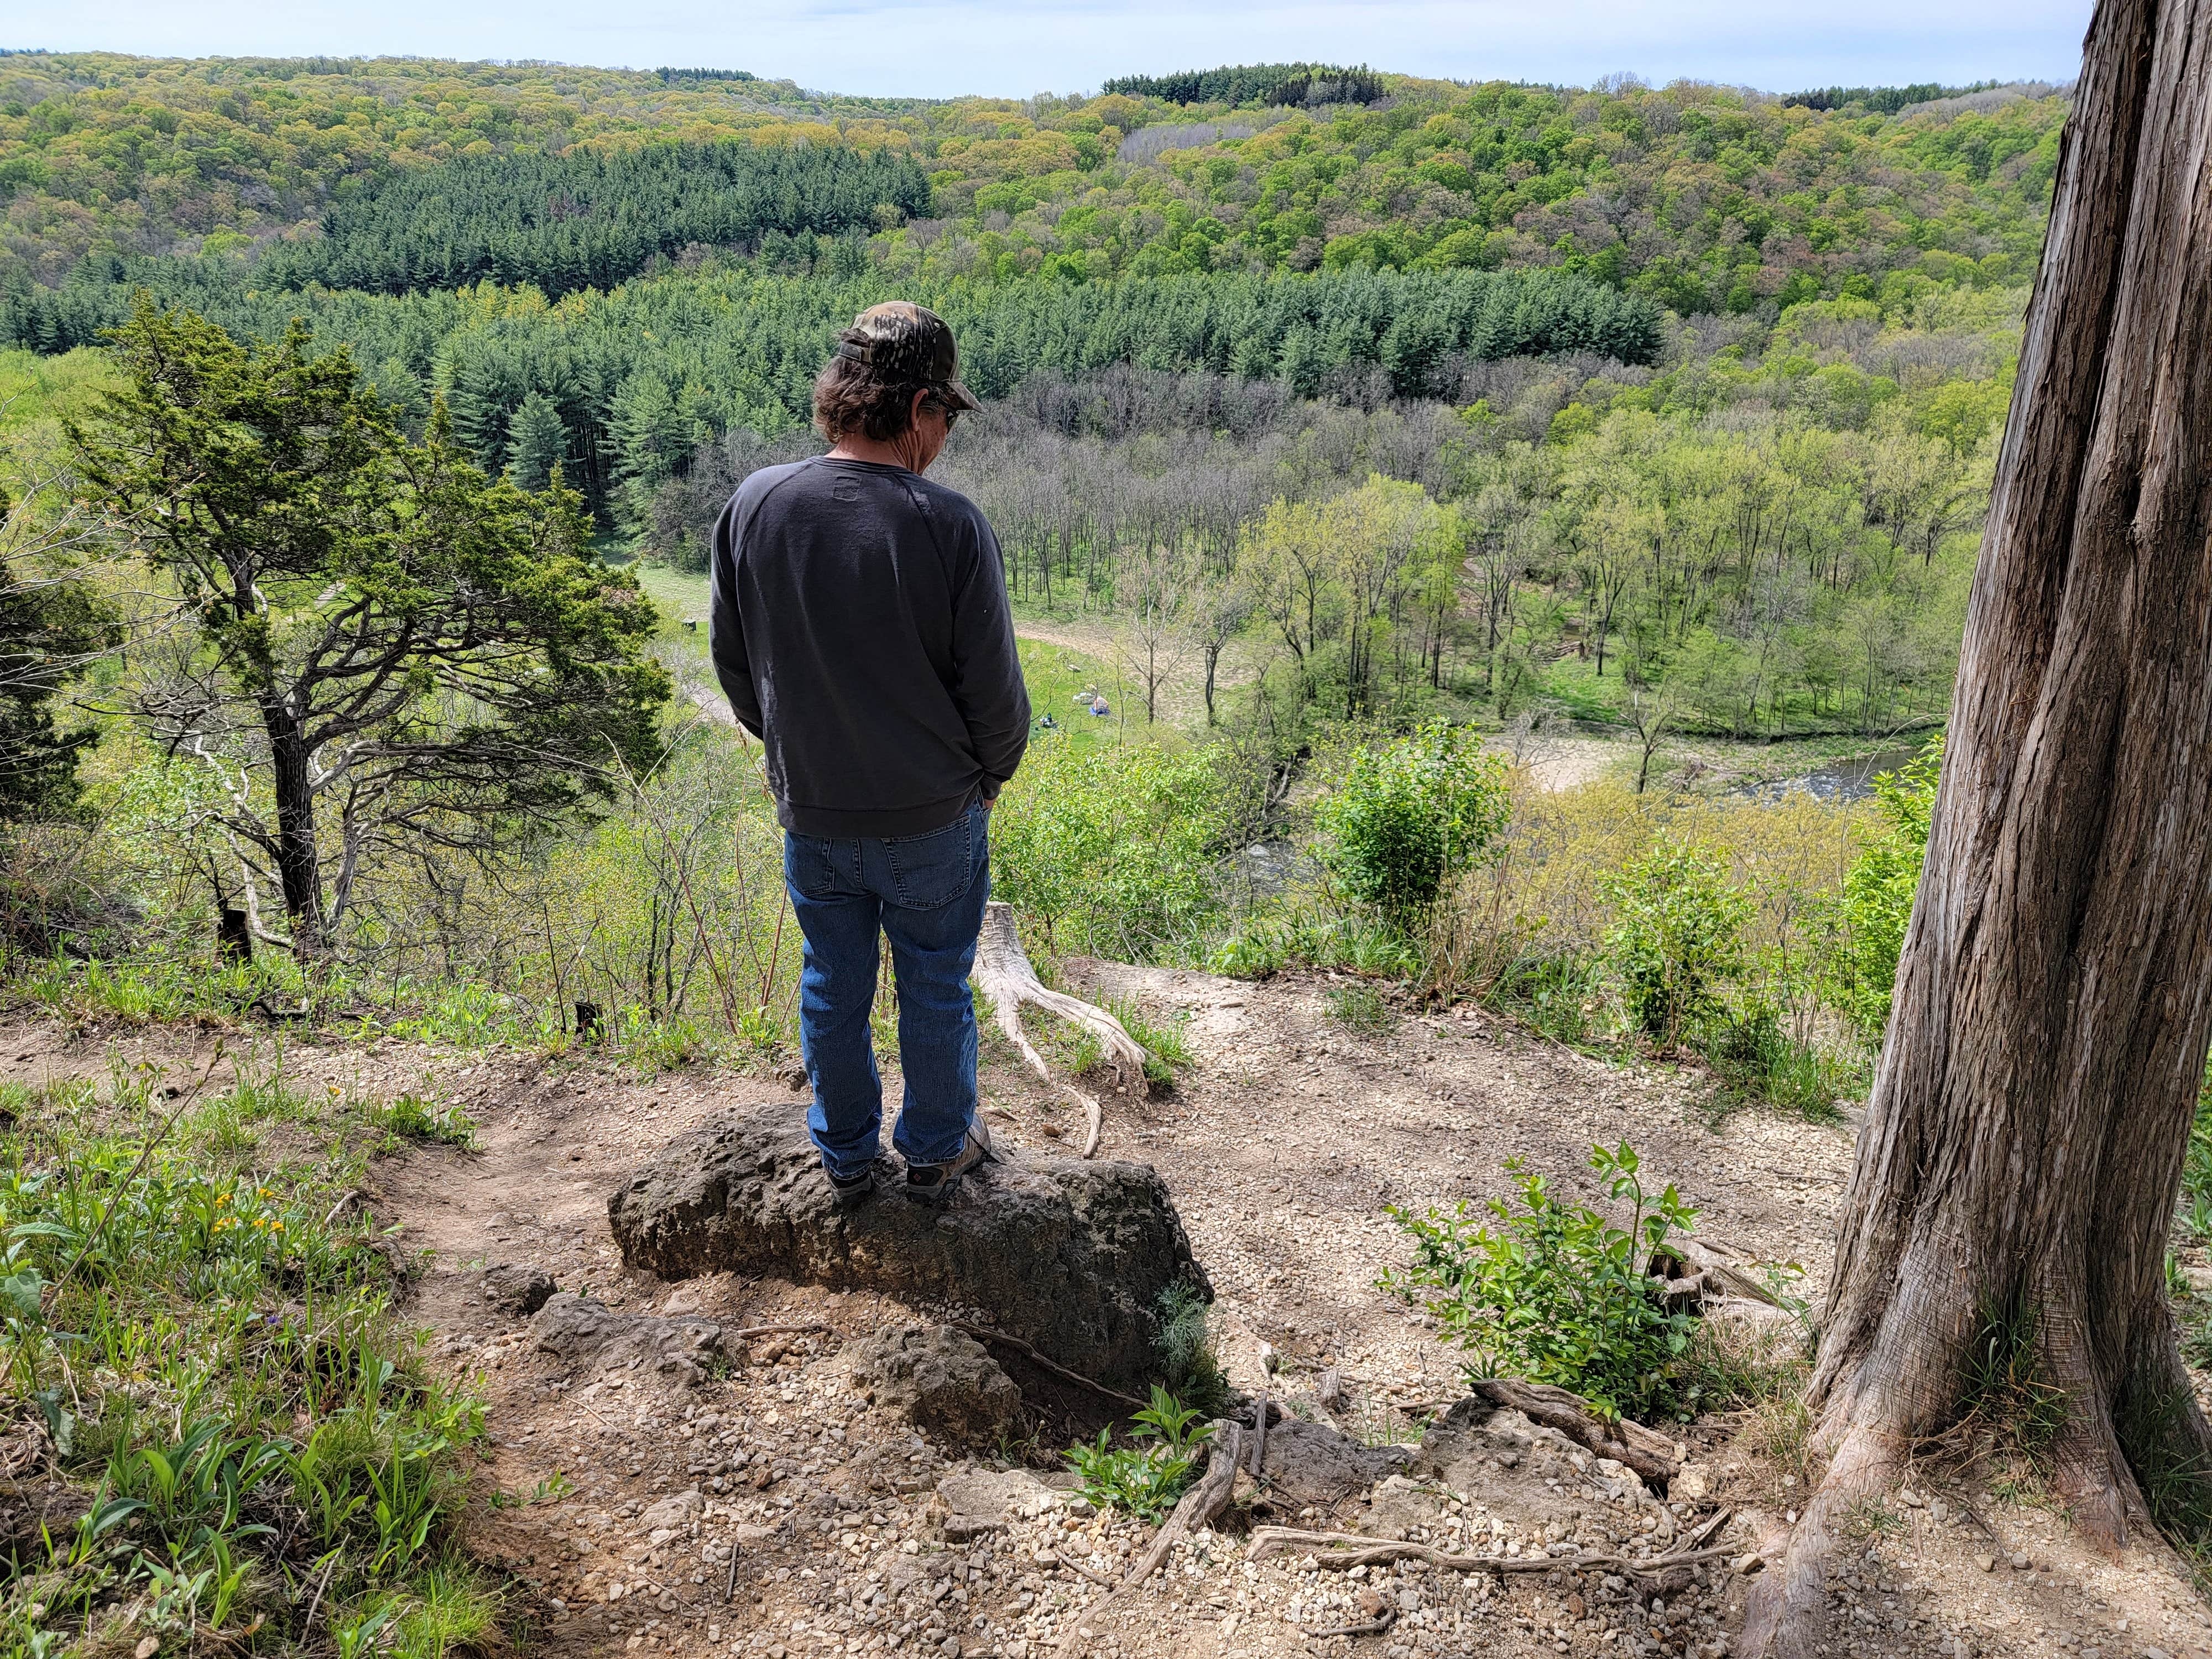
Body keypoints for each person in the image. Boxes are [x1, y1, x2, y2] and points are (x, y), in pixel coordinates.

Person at [707, 302, 1030, 1207]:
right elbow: (997, 700)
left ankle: (846, 1157)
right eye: (945, 418)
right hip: (932, 815)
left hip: (812, 812)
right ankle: (933, 1152)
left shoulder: (757, 504)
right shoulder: (948, 525)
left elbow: (737, 667)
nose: (945, 438)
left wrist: (795, 757)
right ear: (918, 404)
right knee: (933, 985)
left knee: (831, 982)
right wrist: (989, 777)